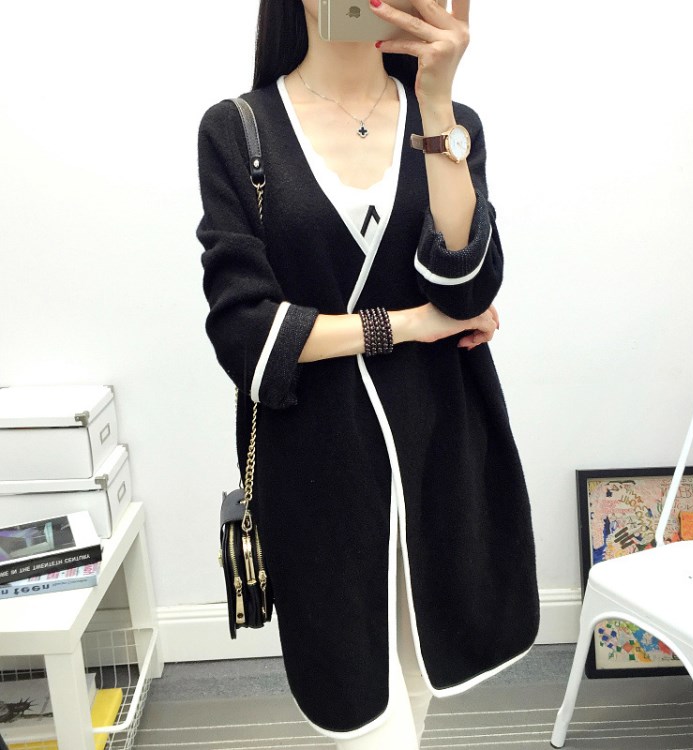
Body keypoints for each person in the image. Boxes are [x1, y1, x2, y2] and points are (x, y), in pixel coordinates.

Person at [196, 0, 540, 747]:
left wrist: (437, 102)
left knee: (418, 686)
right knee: (363, 713)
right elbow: (244, 332)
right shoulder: (240, 129)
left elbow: (466, 290)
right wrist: (404, 325)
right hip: (319, 470)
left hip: (440, 453)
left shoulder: (451, 122)